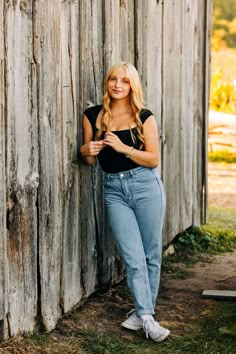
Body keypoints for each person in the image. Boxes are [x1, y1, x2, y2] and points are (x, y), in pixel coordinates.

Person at [80, 62, 170, 343]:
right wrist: (86, 149)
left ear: (133, 86)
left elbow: (153, 159)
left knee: (151, 254)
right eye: (113, 79)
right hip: (114, 190)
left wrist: (123, 148)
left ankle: (143, 314)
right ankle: (146, 317)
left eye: (125, 81)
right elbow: (90, 160)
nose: (118, 85)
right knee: (132, 256)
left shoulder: (144, 116)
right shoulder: (93, 116)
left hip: (145, 185)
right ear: (107, 83)